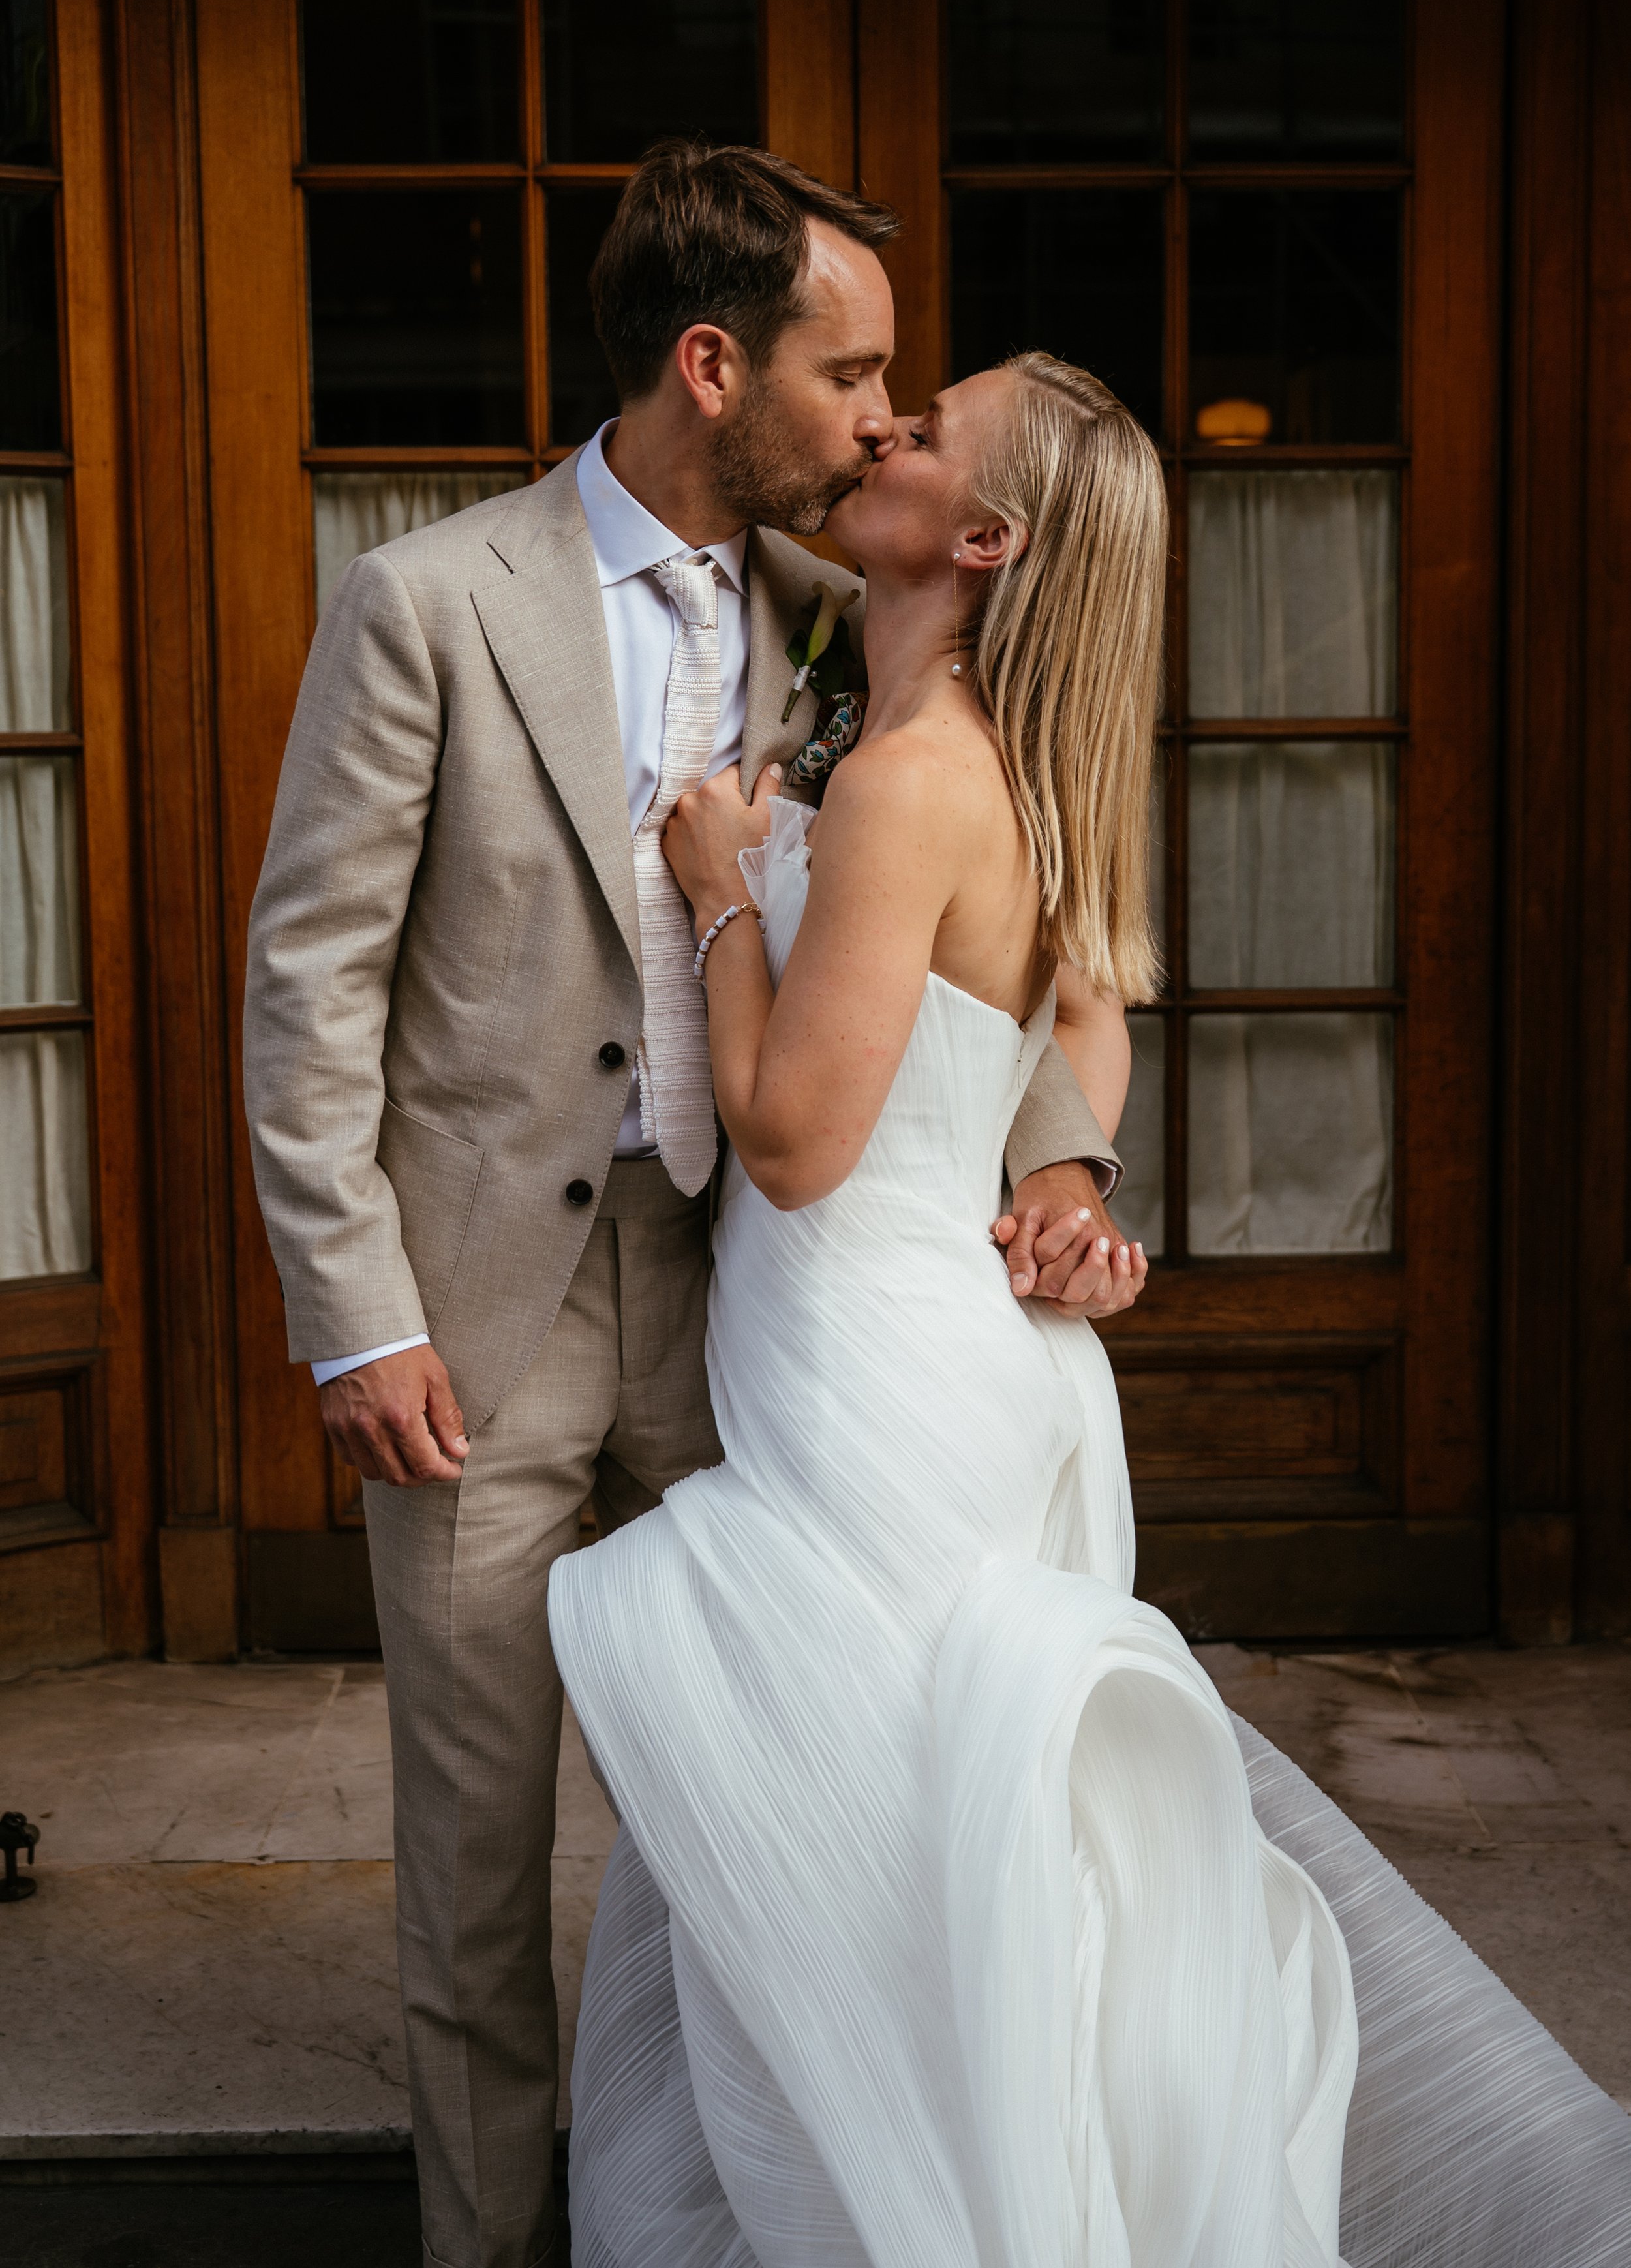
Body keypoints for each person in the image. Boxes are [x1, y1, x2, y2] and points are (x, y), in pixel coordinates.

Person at [550, 355, 1631, 2268]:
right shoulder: (942, 738)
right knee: (911, 1853)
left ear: (980, 538)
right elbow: (1078, 1017)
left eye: (919, 431)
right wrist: (1058, 1180)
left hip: (874, 1361)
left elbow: (792, 1139)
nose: (874, 432)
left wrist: (719, 893)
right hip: (934, 1352)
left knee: (877, 1843)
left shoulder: (904, 774)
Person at [241, 144, 1144, 2268]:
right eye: (852, 377)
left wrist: (1062, 1166)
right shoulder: (427, 604)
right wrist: (352, 1313)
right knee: (474, 1868)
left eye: (901, 396)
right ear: (711, 361)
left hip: (758, 1317)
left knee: (777, 1843)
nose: (877, 425)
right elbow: (310, 984)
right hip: (480, 1329)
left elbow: (1037, 955)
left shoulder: (858, 629)